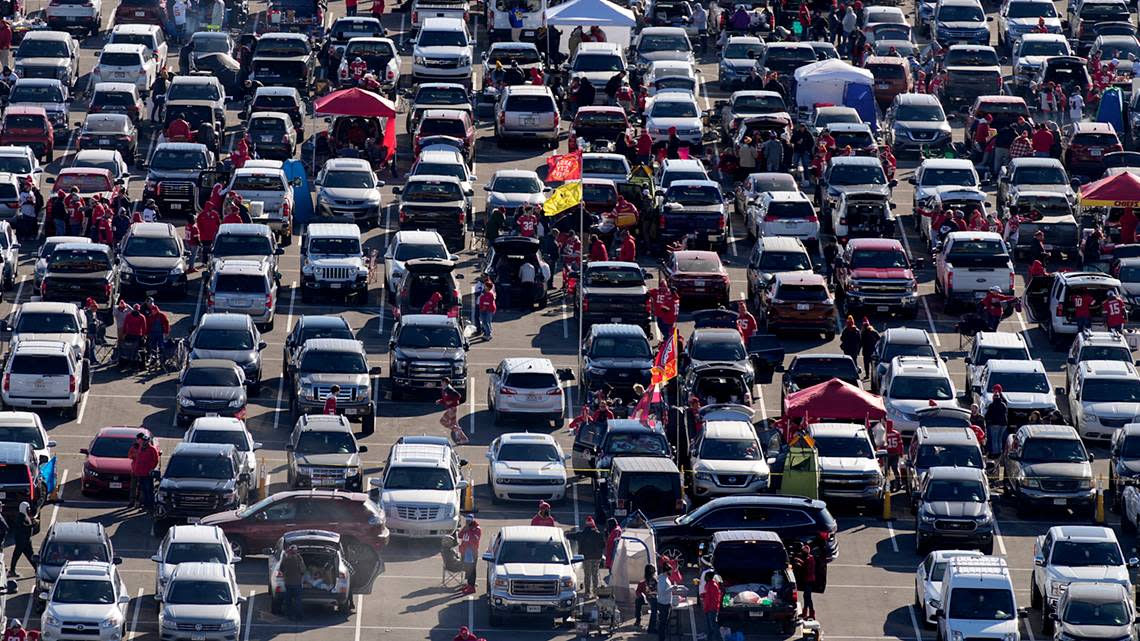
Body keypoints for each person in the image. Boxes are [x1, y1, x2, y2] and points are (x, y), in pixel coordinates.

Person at [567, 517, 605, 595]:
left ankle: (587, 591)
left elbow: (571, 536)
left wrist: (566, 534)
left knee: (587, 574)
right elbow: (603, 545)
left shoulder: (582, 534)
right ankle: (595, 591)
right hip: (597, 558)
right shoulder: (599, 534)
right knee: (595, 574)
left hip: (586, 558)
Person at [127, 433, 160, 509]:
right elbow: (130, 455)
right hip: (137, 472)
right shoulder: (138, 448)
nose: (143, 442)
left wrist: (151, 469)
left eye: (145, 440)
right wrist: (134, 454)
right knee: (139, 488)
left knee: (147, 489)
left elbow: (155, 460)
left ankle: (148, 505)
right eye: (143, 440)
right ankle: (141, 504)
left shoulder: (152, 449)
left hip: (147, 473)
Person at [7, 501, 35, 577]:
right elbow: (24, 528)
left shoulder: (26, 516)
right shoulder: (20, 518)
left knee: (30, 555)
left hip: (26, 540)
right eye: (27, 509)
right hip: (21, 541)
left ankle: (37, 569)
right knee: (17, 556)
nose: (29, 510)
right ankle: (12, 571)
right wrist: (31, 525)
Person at [457, 515, 481, 595]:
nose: (467, 522)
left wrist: (469, 530)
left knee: (472, 570)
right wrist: (464, 530)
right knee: (467, 569)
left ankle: (472, 587)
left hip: (472, 552)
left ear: (472, 521)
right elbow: (460, 536)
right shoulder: (466, 528)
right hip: (464, 551)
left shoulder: (477, 529)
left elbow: (475, 539)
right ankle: (468, 584)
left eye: (468, 521)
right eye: (466, 521)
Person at [438, 377, 467, 444]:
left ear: (445, 382)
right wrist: (440, 401)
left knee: (443, 421)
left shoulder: (449, 389)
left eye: (442, 382)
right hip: (450, 408)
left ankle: (457, 430)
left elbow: (458, 396)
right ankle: (463, 439)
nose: (441, 383)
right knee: (454, 424)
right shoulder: (444, 389)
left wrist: (451, 402)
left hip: (452, 409)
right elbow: (446, 399)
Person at [280, 545, 305, 621]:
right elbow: (303, 570)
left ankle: (289, 615)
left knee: (288, 601)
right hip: (297, 583)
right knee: (298, 601)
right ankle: (299, 616)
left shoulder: (286, 558)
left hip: (288, 583)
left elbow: (281, 568)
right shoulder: (298, 559)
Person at [794, 543, 817, 620]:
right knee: (806, 596)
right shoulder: (809, 558)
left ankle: (810, 613)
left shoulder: (809, 559)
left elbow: (805, 568)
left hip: (809, 580)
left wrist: (799, 563)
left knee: (808, 597)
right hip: (808, 580)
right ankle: (807, 612)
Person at [984, 384, 1009, 457]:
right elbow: (1005, 413)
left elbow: (988, 414)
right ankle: (1000, 452)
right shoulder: (1003, 404)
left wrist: (987, 420)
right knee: (1000, 439)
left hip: (994, 424)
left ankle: (995, 454)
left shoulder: (992, 405)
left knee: (994, 439)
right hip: (1003, 424)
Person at [635, 564, 657, 629]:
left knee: (654, 604)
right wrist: (640, 595)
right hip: (646, 598)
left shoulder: (655, 581)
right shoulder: (642, 583)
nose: (655, 571)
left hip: (653, 598)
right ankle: (638, 620)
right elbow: (638, 592)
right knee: (638, 601)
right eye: (654, 570)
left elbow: (656, 591)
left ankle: (652, 626)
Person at [884, 421, 904, 491]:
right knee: (895, 469)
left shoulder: (884, 434)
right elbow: (900, 444)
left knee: (887, 470)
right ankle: (898, 484)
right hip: (895, 453)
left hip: (887, 454)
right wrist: (901, 452)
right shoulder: (896, 433)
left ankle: (890, 485)